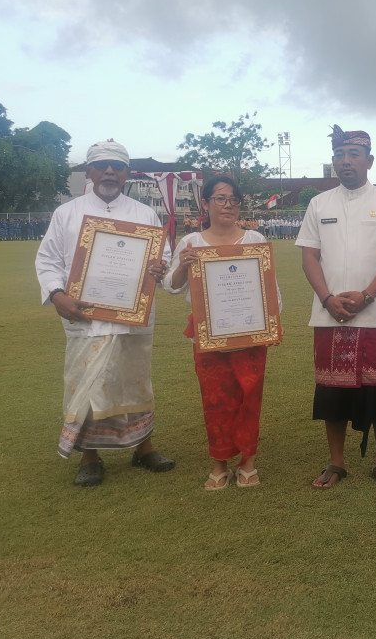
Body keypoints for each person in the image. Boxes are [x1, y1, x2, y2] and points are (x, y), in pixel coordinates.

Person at [34, 139, 174, 487]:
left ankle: (144, 448)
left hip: (133, 317)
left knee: (134, 380)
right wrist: (56, 295)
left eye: (117, 165)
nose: (110, 171)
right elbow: (48, 260)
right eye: (102, 164)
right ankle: (90, 456)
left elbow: (165, 261)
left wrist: (161, 266)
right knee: (89, 383)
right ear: (90, 170)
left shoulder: (145, 214)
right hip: (86, 317)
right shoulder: (66, 213)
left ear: (127, 172)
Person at [297, 125, 376, 489]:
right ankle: (336, 462)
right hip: (330, 316)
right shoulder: (319, 204)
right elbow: (309, 257)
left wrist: (367, 296)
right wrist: (328, 299)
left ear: (369, 161)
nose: (345, 163)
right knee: (332, 392)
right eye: (339, 157)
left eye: (353, 155)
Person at [164, 175, 282, 490]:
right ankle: (219, 465)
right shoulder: (191, 244)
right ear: (205, 203)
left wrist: (265, 321)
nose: (227, 205)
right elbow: (172, 288)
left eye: (233, 199)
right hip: (209, 338)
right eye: (219, 198)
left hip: (250, 336)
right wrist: (181, 267)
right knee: (215, 401)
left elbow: (273, 293)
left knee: (248, 398)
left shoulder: (254, 239)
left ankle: (247, 462)